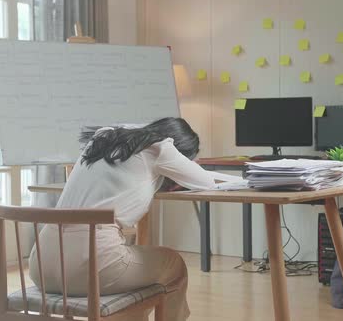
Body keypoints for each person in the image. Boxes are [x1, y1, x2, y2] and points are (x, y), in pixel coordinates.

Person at [29, 117, 219, 321]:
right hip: (90, 266)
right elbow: (206, 182)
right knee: (173, 264)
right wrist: (188, 167)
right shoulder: (160, 147)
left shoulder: (103, 136)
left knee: (138, 269)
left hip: (41, 266)